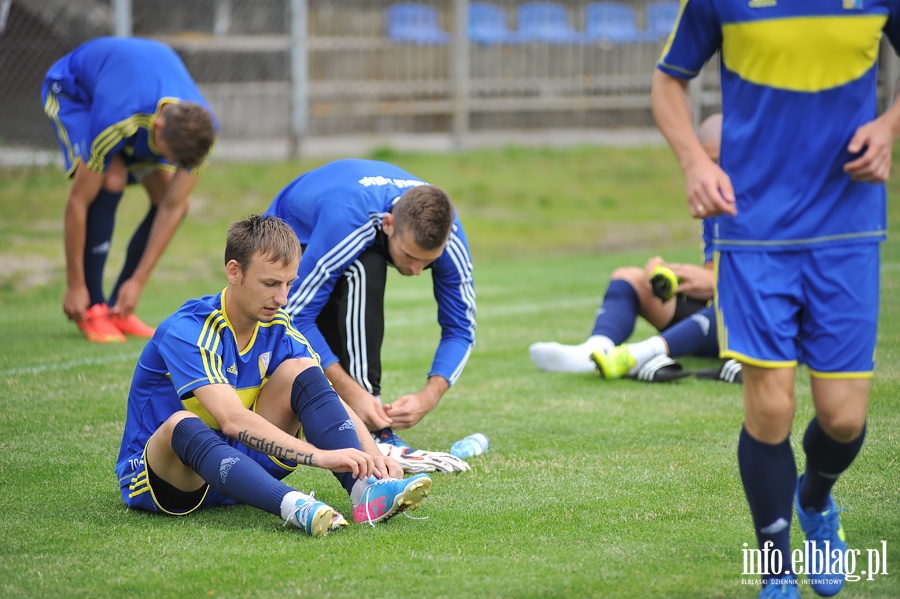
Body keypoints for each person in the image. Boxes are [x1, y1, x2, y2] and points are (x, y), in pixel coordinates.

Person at [651, 4, 900, 597]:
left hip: (847, 228)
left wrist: (889, 126)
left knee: (843, 417)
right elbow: (668, 79)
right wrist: (692, 160)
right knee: (770, 406)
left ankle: (815, 501)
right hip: (753, 229)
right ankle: (776, 570)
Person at [116, 215, 432, 537]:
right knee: (180, 424)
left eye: (288, 284)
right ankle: (294, 506)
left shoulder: (276, 325)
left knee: (303, 370)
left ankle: (367, 491)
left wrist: (374, 458)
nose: (282, 299)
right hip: (170, 478)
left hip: (240, 471)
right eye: (270, 284)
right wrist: (320, 457)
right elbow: (232, 421)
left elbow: (326, 396)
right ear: (234, 271)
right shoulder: (187, 330)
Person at [264, 159, 477, 452]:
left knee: (368, 262)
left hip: (348, 218)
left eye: (429, 262)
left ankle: (357, 409)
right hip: (293, 231)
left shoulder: (449, 233)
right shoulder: (348, 221)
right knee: (366, 267)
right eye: (410, 256)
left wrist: (428, 397)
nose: (417, 271)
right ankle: (371, 420)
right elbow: (295, 313)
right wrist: (353, 393)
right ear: (388, 224)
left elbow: (461, 330)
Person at [529, 113, 742, 384]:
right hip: (716, 323)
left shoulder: (767, 203)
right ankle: (594, 350)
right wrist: (674, 277)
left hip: (759, 325)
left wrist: (715, 281)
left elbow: (762, 283)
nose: (712, 171)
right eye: (707, 162)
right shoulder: (713, 204)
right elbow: (712, 275)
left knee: (733, 298)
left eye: (719, 162)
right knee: (629, 277)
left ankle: (640, 354)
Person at [42, 37, 218, 344]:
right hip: (75, 93)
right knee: (113, 178)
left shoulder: (202, 132)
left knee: (169, 197)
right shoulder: (116, 117)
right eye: (169, 158)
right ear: (159, 129)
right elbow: (78, 203)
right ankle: (93, 305)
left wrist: (138, 281)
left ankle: (117, 309)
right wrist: (74, 284)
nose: (171, 164)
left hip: (135, 96)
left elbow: (174, 205)